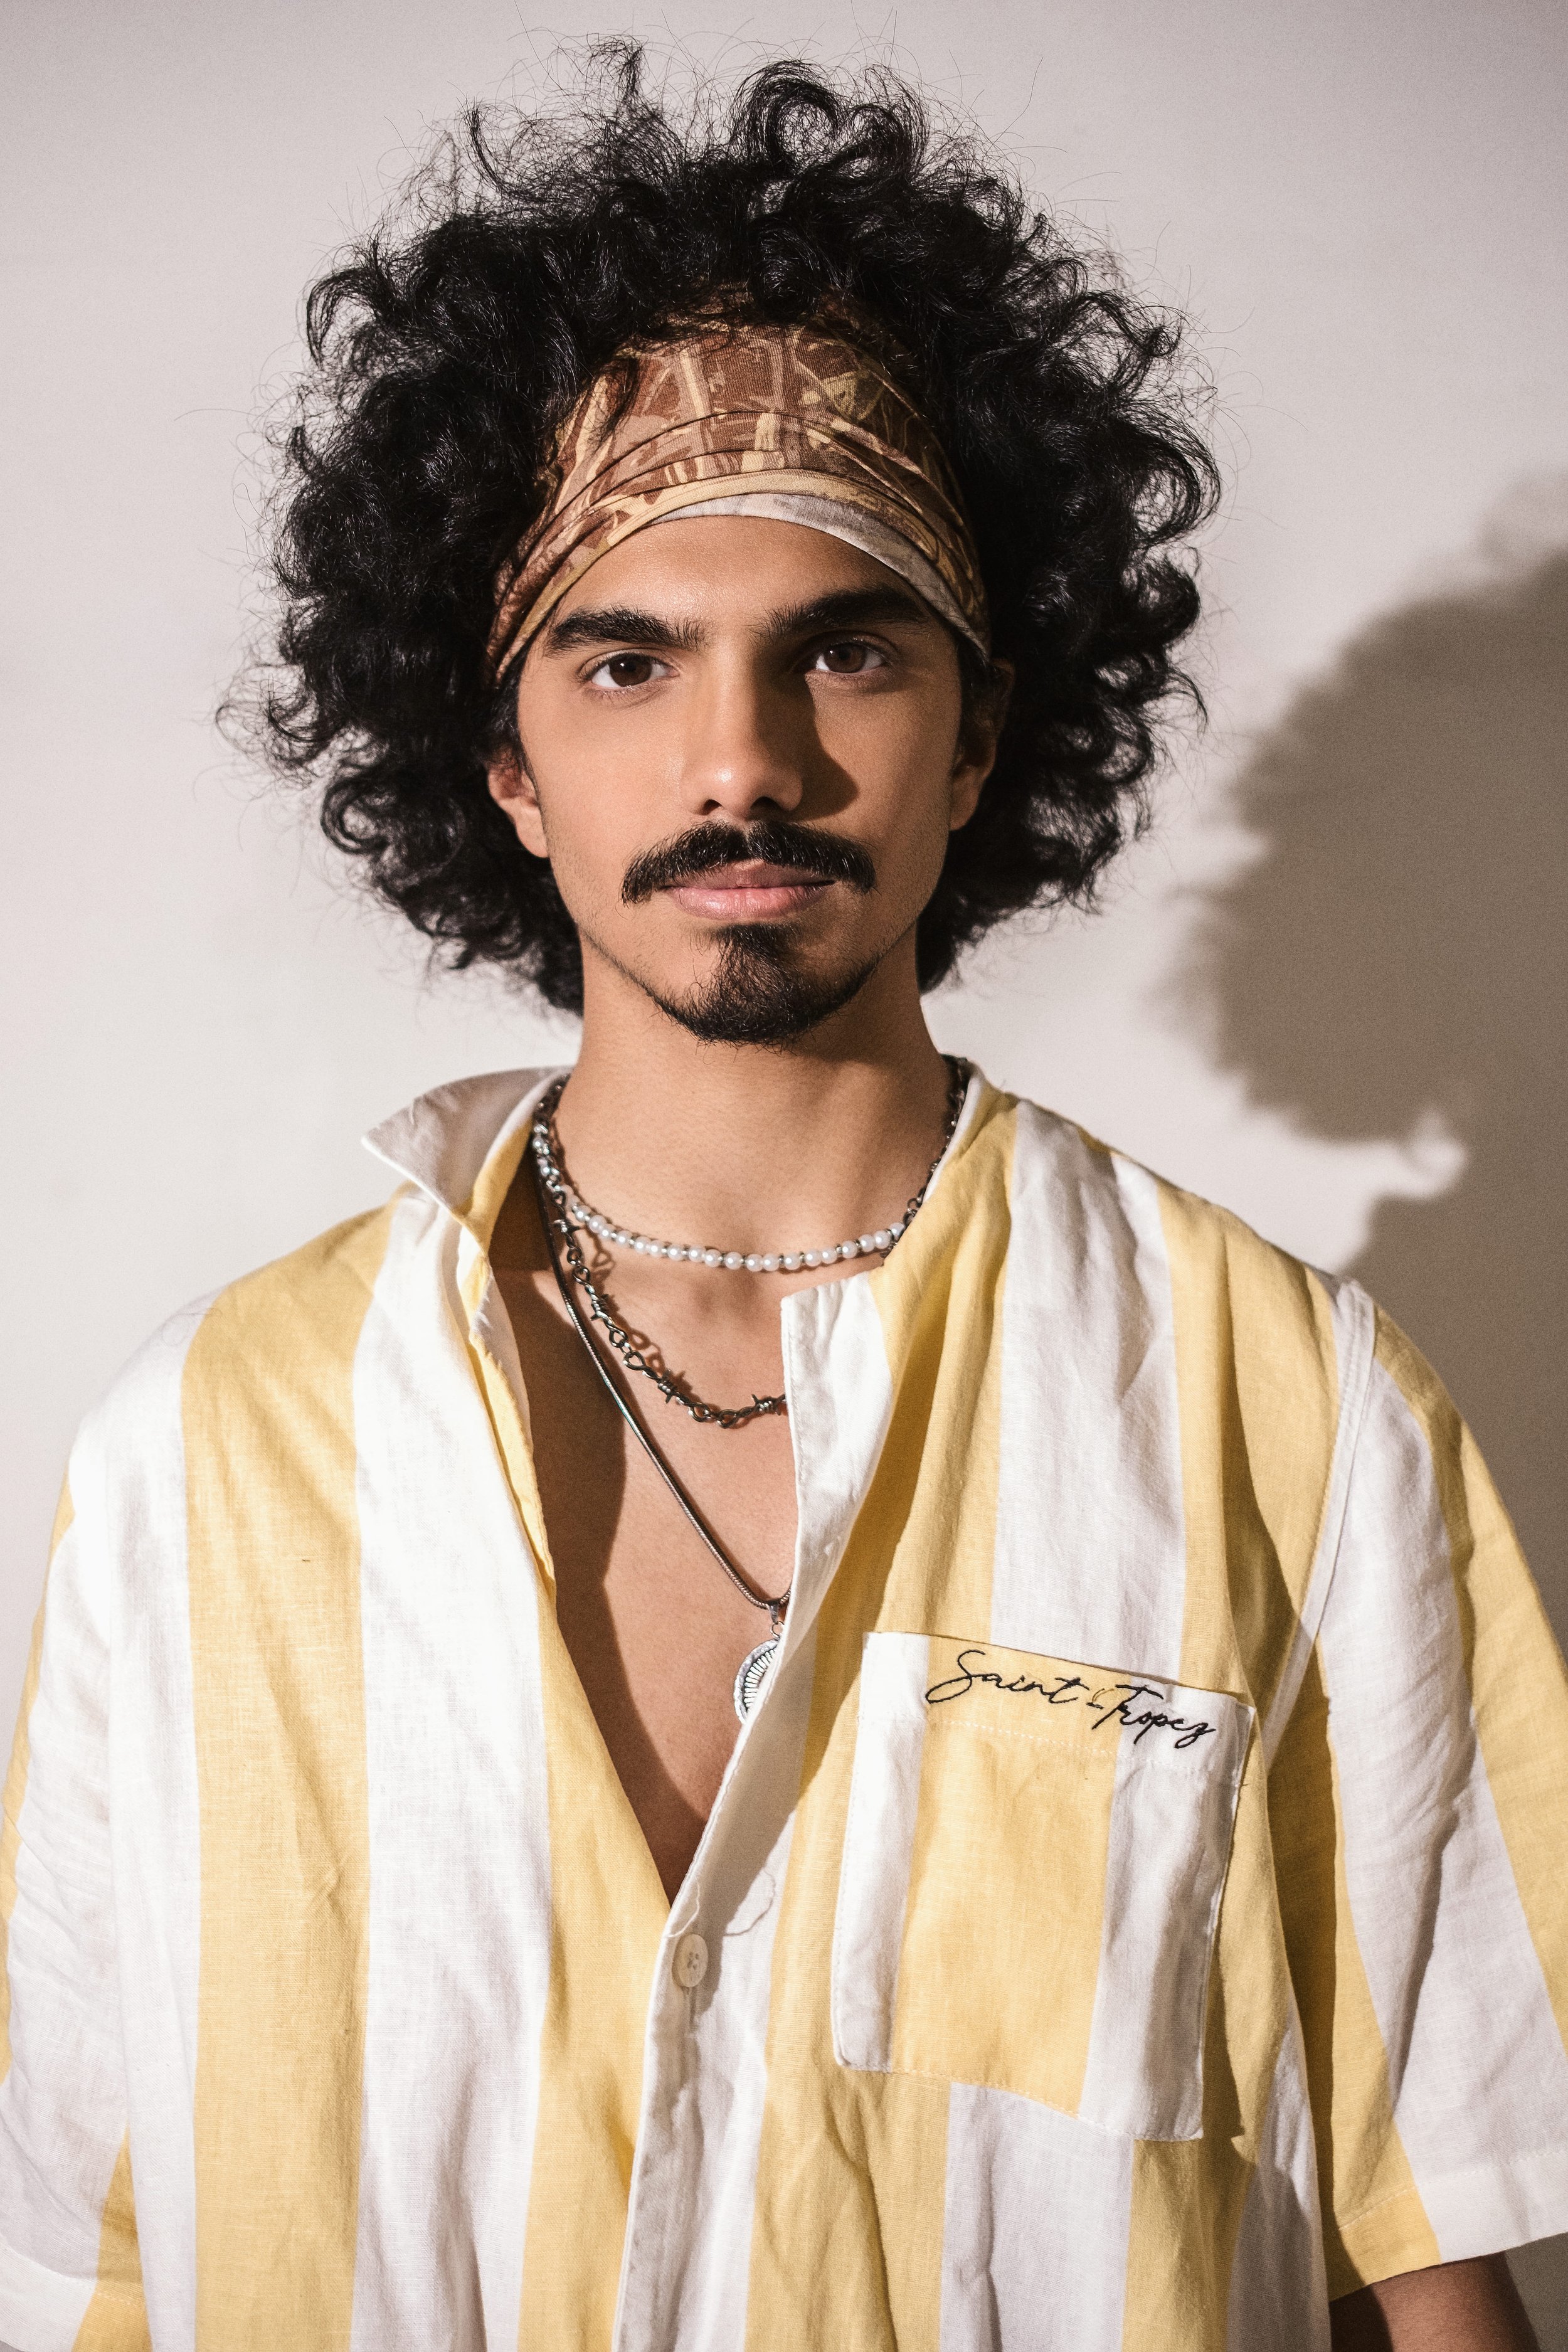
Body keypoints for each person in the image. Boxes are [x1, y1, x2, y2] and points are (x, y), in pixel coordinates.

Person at [1, 51, 1562, 2352]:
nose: (744, 759)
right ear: (510, 763)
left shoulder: (1288, 1408)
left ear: (981, 727)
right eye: (627, 660)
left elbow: (1431, 2248)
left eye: (845, 645)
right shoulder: (203, 1450)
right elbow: (94, 2262)